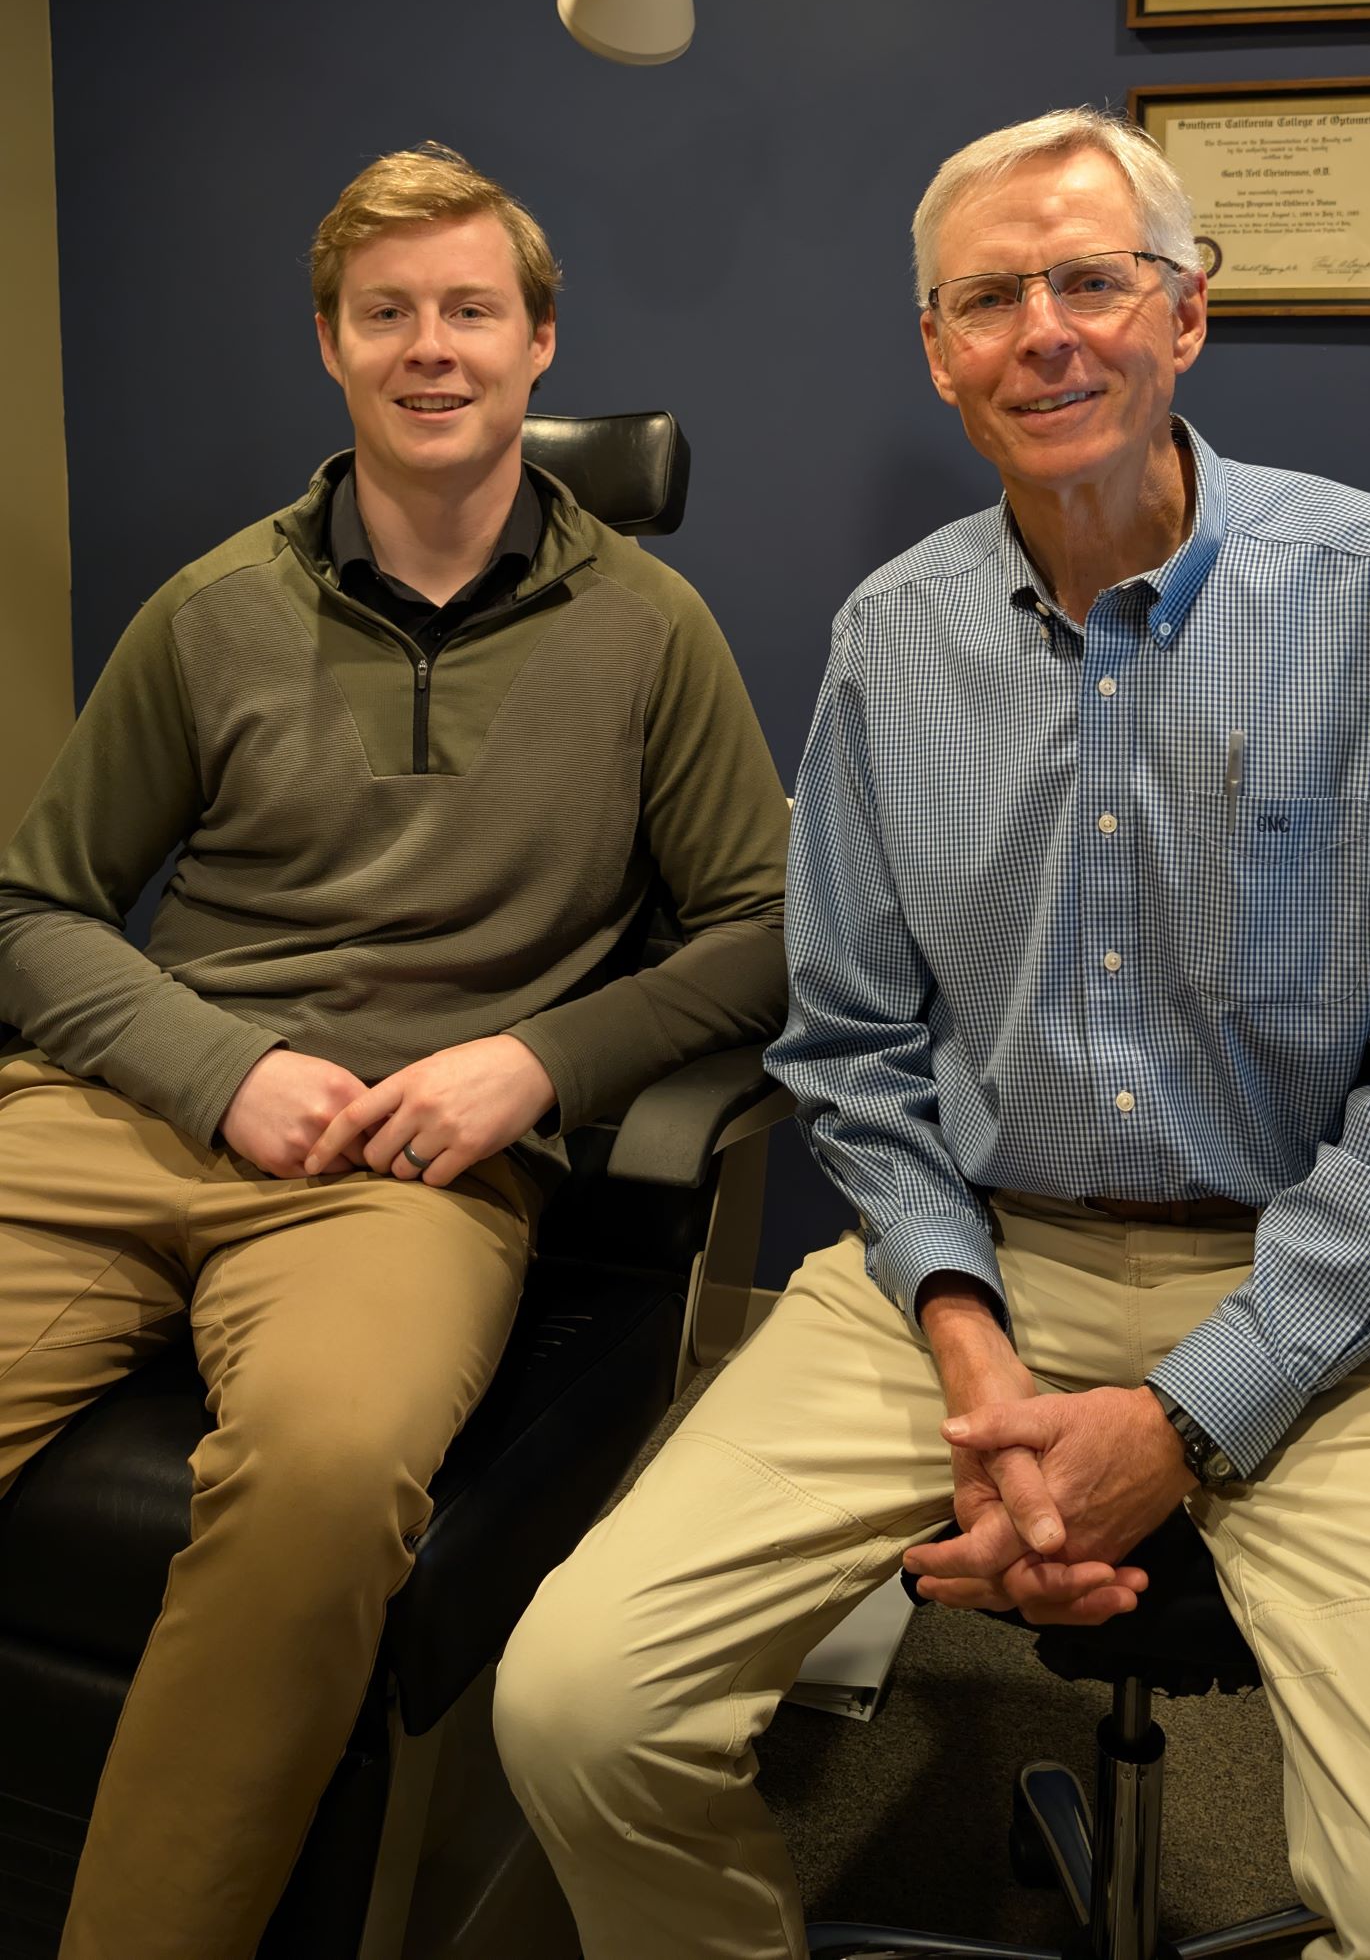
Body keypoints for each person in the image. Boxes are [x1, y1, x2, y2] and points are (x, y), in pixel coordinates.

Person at [494, 108, 1370, 1960]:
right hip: (969, 1268)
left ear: (1186, 313)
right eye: (990, 299)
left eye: (1093, 281)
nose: (1044, 331)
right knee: (577, 1709)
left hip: (1326, 1292)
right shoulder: (890, 640)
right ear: (938, 353)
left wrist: (1181, 1421)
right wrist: (976, 1360)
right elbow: (853, 1051)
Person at [0, 142, 789, 1960]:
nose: (430, 346)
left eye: (469, 311)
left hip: (401, 1171)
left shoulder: (649, 634)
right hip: (128, 1120)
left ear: (538, 344)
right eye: (386, 314)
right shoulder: (210, 609)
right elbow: (35, 908)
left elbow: (766, 931)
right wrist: (216, 1070)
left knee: (331, 1474)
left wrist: (539, 1064)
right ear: (331, 346)